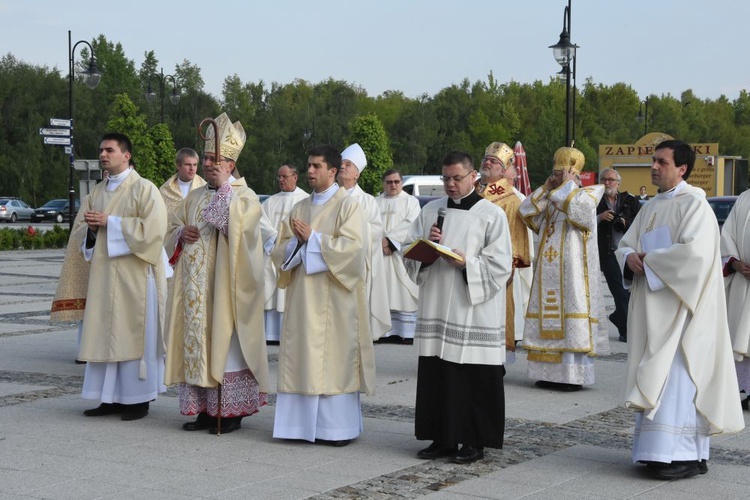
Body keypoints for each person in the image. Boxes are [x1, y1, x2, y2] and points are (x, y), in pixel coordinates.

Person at [616, 139, 744, 479]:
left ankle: (685, 454)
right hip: (653, 309)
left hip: (683, 312)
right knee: (659, 378)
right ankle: (656, 452)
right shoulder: (650, 206)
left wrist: (651, 259)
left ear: (682, 168)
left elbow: (698, 257)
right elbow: (627, 243)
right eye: (654, 161)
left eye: (662, 162)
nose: (654, 167)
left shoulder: (695, 206)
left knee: (679, 379)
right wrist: (628, 257)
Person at [163, 113, 270, 435]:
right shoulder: (194, 195)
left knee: (226, 347)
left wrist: (225, 189)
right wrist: (180, 232)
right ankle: (205, 411)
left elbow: (242, 232)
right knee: (198, 346)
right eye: (207, 158)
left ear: (231, 164)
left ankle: (231, 412)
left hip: (226, 290)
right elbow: (169, 228)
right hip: (193, 292)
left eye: (217, 159)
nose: (210, 164)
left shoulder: (244, 196)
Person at [406, 151, 512, 464]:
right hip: (438, 306)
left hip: (473, 310)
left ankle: (474, 440)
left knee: (473, 377)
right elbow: (409, 252)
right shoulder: (431, 210)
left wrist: (466, 263)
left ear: (473, 178)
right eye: (446, 178)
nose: (450, 184)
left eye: (457, 178)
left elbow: (501, 265)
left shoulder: (490, 214)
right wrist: (427, 244)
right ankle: (443, 438)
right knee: (439, 374)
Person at [271, 144, 375, 446]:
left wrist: (313, 240)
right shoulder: (299, 207)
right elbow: (281, 248)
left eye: (317, 166)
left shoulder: (348, 206)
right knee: (302, 356)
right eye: (309, 165)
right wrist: (298, 245)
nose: (311, 171)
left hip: (335, 300)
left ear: (334, 170)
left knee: (334, 360)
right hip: (303, 297)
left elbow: (354, 250)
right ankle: (297, 427)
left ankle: (335, 429)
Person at [77, 132, 168, 421]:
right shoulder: (97, 191)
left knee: (131, 333)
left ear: (126, 155)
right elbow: (85, 237)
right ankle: (109, 398)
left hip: (136, 278)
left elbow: (154, 232)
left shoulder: (145, 188)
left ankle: (138, 400)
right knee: (105, 332)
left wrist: (110, 223)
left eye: (110, 150)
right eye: (101, 150)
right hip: (104, 277)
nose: (103, 155)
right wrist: (92, 230)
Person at [519, 147, 608, 392]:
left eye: (559, 173)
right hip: (547, 272)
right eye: (553, 173)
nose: (555, 177)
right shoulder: (554, 197)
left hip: (573, 274)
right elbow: (526, 212)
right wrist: (547, 187)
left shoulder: (588, 194)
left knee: (570, 316)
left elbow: (581, 214)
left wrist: (568, 185)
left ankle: (570, 376)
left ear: (572, 174)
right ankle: (546, 373)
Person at [476, 142, 531, 362]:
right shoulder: (471, 191)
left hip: (497, 269)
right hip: (467, 262)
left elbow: (516, 237)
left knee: (495, 316)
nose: (488, 163)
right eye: (486, 159)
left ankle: (495, 361)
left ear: (503, 170)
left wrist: (509, 266)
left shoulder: (511, 200)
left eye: (495, 162)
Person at [338, 143, 392, 340]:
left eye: (348, 164)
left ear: (357, 174)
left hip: (357, 266)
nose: (343, 167)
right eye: (341, 163)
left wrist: (351, 232)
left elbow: (376, 231)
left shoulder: (368, 201)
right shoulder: (327, 197)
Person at [261, 164, 308, 344]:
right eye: (279, 176)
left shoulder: (305, 199)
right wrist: (274, 238)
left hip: (292, 254)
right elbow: (260, 222)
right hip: (271, 251)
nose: (280, 180)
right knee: (270, 290)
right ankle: (270, 334)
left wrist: (287, 244)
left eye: (284, 176)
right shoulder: (270, 201)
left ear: (295, 177)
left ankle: (289, 334)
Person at [375, 169, 421, 343]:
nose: (393, 185)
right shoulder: (374, 202)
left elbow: (412, 224)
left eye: (396, 181)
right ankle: (383, 332)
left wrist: (390, 242)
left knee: (403, 292)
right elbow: (369, 224)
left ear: (401, 182)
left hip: (401, 254)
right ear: (383, 183)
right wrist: (380, 242)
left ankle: (405, 333)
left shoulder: (411, 202)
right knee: (382, 292)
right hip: (379, 255)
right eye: (389, 182)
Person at [596, 169, 640, 342]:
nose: (607, 183)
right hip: (608, 254)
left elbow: (640, 222)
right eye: (604, 179)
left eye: (611, 180)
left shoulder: (629, 200)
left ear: (618, 183)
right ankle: (626, 331)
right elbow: (582, 220)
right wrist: (600, 217)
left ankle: (618, 317)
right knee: (620, 293)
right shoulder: (594, 201)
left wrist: (625, 222)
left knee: (630, 292)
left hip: (628, 252)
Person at [721, 188, 750, 411]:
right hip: (742, 278)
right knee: (742, 337)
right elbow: (727, 235)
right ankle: (744, 389)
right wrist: (736, 263)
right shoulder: (744, 198)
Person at [158, 148, 206, 217]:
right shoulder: (165, 190)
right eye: (188, 164)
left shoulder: (204, 188)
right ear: (178, 165)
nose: (192, 168)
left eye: (195, 165)